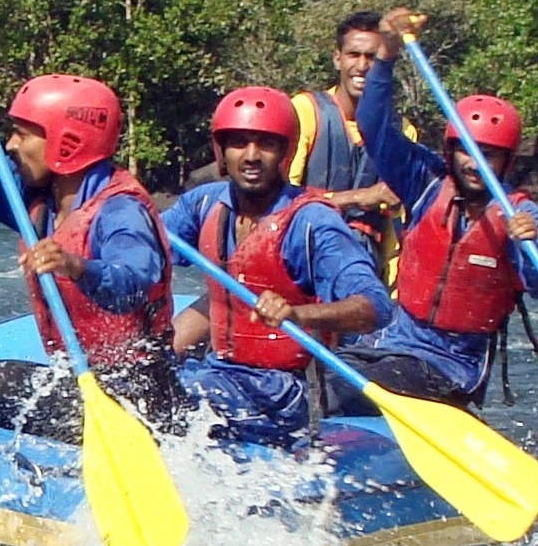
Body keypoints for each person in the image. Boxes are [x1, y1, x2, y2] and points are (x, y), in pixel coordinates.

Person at [0, 34, 179, 437]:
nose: (11, 143)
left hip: (138, 397)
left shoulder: (121, 210)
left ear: (67, 143)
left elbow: (131, 286)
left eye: (23, 133)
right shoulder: (35, 202)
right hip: (80, 388)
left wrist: (76, 266)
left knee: (0, 381)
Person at [343, 8, 538, 405]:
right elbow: (372, 126)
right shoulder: (423, 182)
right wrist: (387, 54)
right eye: (467, 151)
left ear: (507, 161)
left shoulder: (521, 215)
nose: (475, 164)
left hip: (452, 368)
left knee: (335, 385)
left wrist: (532, 245)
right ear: (451, 150)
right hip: (394, 341)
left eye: (489, 155)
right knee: (310, 367)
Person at [166, 86, 395, 442]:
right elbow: (142, 254)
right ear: (221, 151)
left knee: (167, 398)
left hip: (277, 393)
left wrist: (299, 315)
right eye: (239, 142)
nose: (251, 156)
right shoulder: (203, 204)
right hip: (218, 370)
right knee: (138, 381)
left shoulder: (312, 222)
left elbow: (375, 307)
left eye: (266, 144)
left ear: (286, 153)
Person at [291, 9, 403, 244]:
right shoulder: (305, 111)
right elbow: (282, 201)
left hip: (364, 267)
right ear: (337, 58)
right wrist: (358, 197)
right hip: (308, 253)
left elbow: (395, 228)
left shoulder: (401, 132)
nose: (362, 66)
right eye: (354, 54)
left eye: (372, 57)